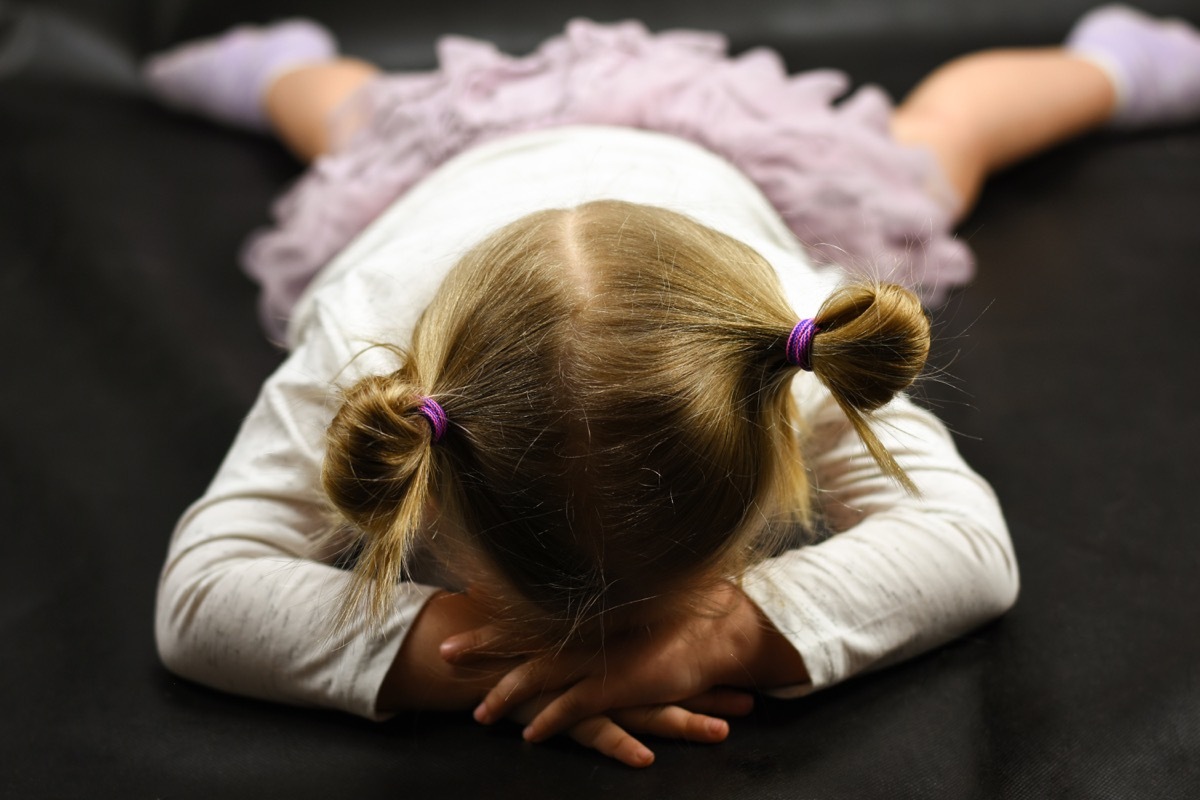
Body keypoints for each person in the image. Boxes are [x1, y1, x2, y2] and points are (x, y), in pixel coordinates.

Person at [146, 6, 1200, 768]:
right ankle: (281, 60)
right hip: (442, 178)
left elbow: (972, 549)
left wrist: (725, 631)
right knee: (354, 124)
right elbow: (197, 601)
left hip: (724, 162)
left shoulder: (786, 328)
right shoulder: (367, 345)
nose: (607, 644)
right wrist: (464, 659)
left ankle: (1109, 62)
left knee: (940, 143)